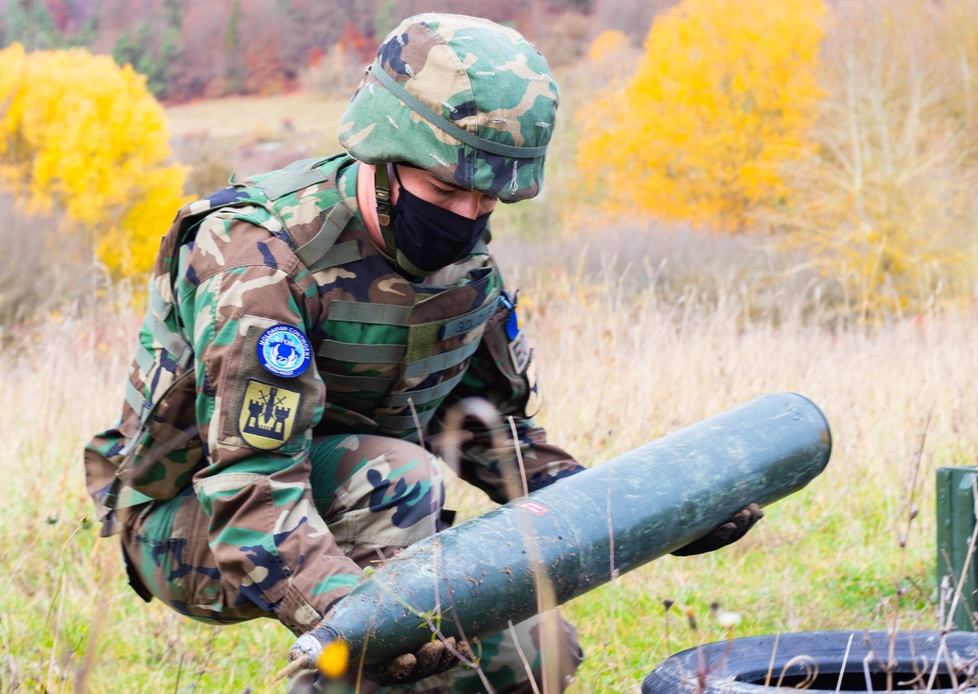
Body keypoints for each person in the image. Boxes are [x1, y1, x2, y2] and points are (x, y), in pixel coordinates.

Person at [84, 13, 761, 693]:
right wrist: (363, 623)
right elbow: (252, 486)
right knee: (399, 485)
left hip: (353, 498)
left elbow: (485, 430)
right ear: (383, 153)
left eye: (487, 198)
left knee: (537, 651)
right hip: (194, 522)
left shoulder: (467, 273)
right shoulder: (259, 258)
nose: (466, 217)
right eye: (444, 191)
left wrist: (647, 513)